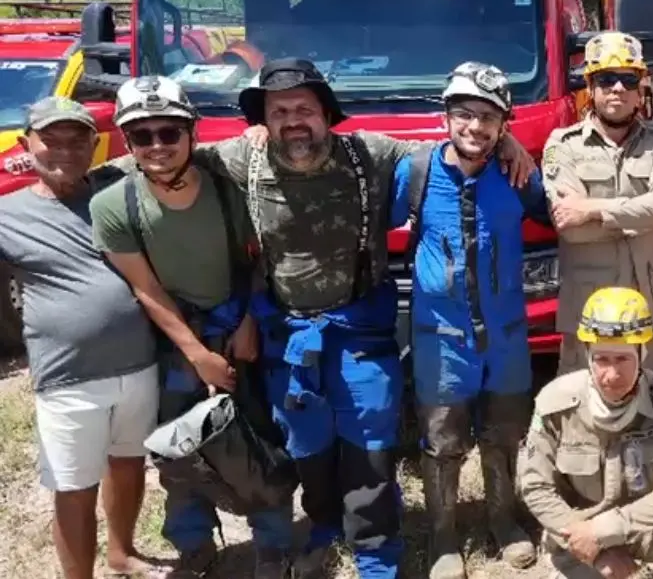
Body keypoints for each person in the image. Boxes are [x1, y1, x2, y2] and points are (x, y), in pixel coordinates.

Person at [127, 57, 534, 579]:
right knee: (306, 444)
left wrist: (507, 142)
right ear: (263, 120)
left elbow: (455, 150)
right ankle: (323, 528)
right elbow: (160, 159)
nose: (294, 119)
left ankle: (375, 549)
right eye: (279, 110)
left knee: (371, 437)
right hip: (287, 335)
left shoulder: (372, 153)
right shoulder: (235, 158)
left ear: (326, 114)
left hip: (358, 325)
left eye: (305, 108)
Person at [89, 76, 294, 578]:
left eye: (169, 133)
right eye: (143, 136)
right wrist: (196, 353)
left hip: (238, 326)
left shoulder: (230, 188)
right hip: (175, 339)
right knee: (177, 449)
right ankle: (193, 543)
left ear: (191, 134)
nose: (157, 146)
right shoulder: (113, 206)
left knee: (258, 438)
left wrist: (247, 320)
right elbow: (146, 289)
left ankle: (273, 544)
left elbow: (259, 260)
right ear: (127, 142)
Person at [389, 62, 547, 578]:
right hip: (441, 336)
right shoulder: (413, 172)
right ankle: (444, 537)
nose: (474, 127)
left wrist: (519, 150)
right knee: (442, 441)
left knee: (504, 433)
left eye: (487, 118)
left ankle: (503, 520)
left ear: (504, 125)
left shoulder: (517, 174)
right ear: (445, 117)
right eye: (464, 114)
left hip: (506, 335)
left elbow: (557, 214)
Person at [0, 97, 160, 579]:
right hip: (67, 375)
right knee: (74, 485)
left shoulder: (118, 187)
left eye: (77, 140)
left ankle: (121, 552)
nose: (64, 151)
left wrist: (255, 134)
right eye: (51, 139)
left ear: (95, 143)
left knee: (130, 464)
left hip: (139, 362)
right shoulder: (7, 214)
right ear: (28, 143)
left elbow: (182, 153)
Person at [518, 286, 653, 579]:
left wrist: (608, 529)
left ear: (642, 353)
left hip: (647, 524)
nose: (612, 374)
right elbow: (534, 486)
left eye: (623, 359)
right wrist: (594, 550)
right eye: (602, 359)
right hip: (580, 530)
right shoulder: (555, 405)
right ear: (587, 355)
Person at [542, 31, 653, 376]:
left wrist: (594, 210)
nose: (618, 89)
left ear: (640, 90)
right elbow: (571, 229)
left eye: (628, 79)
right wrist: (643, 214)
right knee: (587, 403)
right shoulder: (563, 145)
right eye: (606, 79)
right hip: (590, 304)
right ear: (590, 89)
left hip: (652, 299)